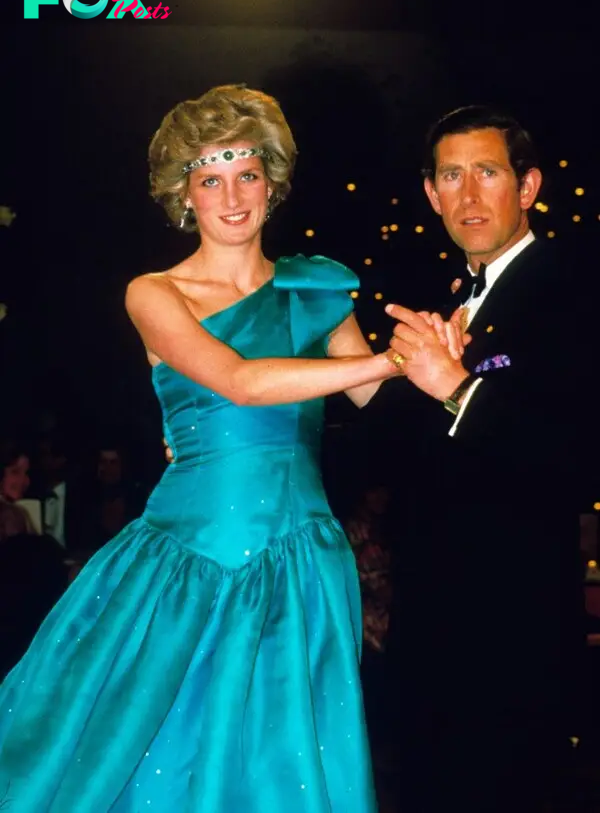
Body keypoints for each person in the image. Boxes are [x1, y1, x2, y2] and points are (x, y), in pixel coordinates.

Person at [0, 84, 462, 813]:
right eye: (210, 178)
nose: (231, 195)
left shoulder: (316, 290)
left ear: (272, 183)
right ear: (185, 194)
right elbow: (242, 383)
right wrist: (390, 360)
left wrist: (440, 366)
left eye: (247, 173)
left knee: (283, 765)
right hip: (189, 560)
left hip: (303, 561)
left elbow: (384, 411)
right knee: (154, 751)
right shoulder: (156, 293)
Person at [373, 105, 598, 813]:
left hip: (516, 636)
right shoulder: (449, 304)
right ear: (431, 195)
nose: (469, 195)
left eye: (488, 173)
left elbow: (578, 453)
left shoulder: (573, 287)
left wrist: (455, 388)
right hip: (436, 629)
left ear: (527, 186)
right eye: (451, 176)